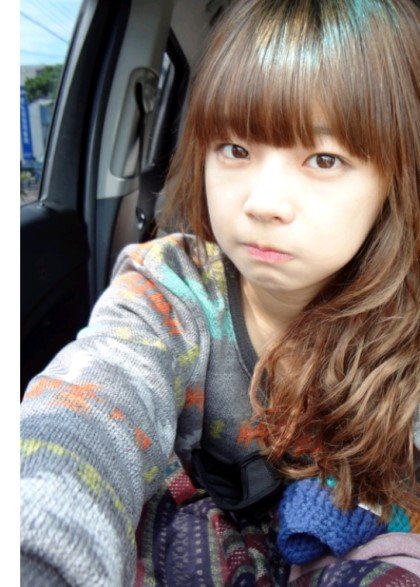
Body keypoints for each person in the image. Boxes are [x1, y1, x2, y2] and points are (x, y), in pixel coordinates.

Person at [21, 0, 420, 585]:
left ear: (396, 176)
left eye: (323, 158)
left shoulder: (407, 316)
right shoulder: (171, 289)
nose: (263, 203)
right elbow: (89, 405)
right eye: (235, 150)